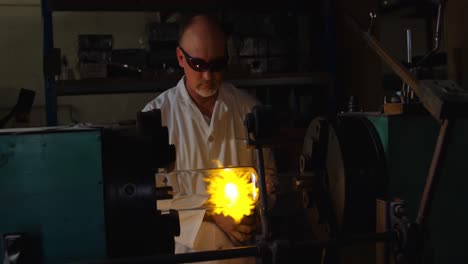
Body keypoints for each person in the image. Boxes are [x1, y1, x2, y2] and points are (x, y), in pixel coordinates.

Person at [142, 13, 277, 264]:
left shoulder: (249, 109)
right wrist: (211, 213)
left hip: (243, 257)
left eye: (216, 65)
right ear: (180, 58)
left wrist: (259, 212)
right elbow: (149, 199)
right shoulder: (155, 117)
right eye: (198, 65)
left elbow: (268, 177)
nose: (208, 76)